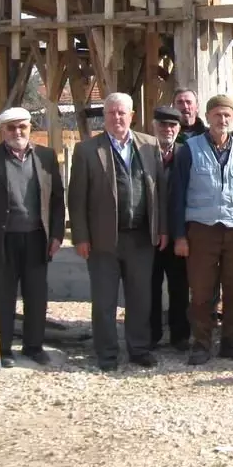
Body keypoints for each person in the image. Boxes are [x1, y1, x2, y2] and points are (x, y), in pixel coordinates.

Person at [68, 93, 165, 371]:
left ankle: (139, 349)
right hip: (102, 240)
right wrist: (81, 237)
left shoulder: (148, 145)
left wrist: (163, 230)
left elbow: (160, 192)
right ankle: (107, 353)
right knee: (104, 300)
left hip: (141, 237)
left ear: (132, 115)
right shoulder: (87, 151)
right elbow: (76, 199)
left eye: (122, 113)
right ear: (105, 116)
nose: (117, 118)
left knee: (140, 298)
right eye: (111, 113)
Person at [0, 107, 65, 368]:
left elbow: (56, 201)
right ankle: (3, 348)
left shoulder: (46, 157)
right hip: (1, 239)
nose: (17, 132)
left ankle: (33, 346)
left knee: (36, 294)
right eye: (11, 128)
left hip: (36, 238)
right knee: (4, 295)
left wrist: (56, 234)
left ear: (31, 127)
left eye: (22, 127)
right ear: (2, 131)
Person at [170, 94, 233, 365]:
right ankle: (201, 344)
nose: (223, 120)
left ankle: (231, 341)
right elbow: (177, 194)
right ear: (207, 117)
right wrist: (179, 235)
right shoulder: (190, 148)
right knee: (201, 292)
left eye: (227, 116)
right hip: (201, 229)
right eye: (218, 115)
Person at [149, 106, 190, 351]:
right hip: (151, 232)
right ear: (154, 126)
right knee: (150, 286)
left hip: (179, 231)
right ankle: (152, 334)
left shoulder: (185, 153)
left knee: (179, 286)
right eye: (163, 125)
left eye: (172, 126)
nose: (168, 130)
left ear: (179, 128)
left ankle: (180, 335)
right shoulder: (143, 152)